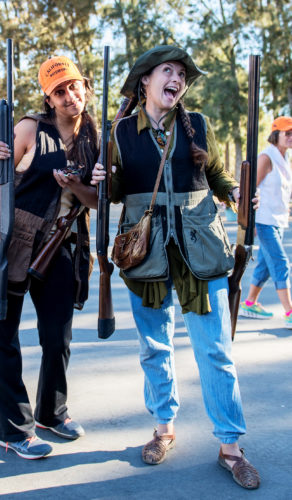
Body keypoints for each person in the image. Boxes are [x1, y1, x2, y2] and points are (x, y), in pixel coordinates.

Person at [91, 46, 260, 489]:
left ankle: (230, 445)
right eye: (168, 71)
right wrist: (100, 180)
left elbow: (217, 175)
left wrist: (237, 195)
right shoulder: (122, 131)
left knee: (215, 349)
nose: (177, 79)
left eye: (182, 74)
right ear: (145, 81)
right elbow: (115, 190)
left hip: (199, 246)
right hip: (145, 251)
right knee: (155, 347)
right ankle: (163, 427)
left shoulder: (198, 124)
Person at [0, 56, 98, 459]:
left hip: (63, 244)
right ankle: (14, 430)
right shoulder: (30, 128)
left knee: (58, 335)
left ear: (85, 86)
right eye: (60, 91)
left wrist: (77, 186)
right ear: (48, 99)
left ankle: (52, 411)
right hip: (17, 239)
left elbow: (98, 200)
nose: (70, 96)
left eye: (74, 87)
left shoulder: (95, 138)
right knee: (5, 335)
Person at [240, 116, 292, 326]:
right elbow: (251, 188)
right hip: (264, 221)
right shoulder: (267, 157)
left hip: (279, 220)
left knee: (265, 265)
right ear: (275, 134)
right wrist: (249, 222)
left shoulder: (284, 158)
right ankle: (289, 312)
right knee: (280, 262)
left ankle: (250, 303)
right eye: (287, 133)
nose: (290, 137)